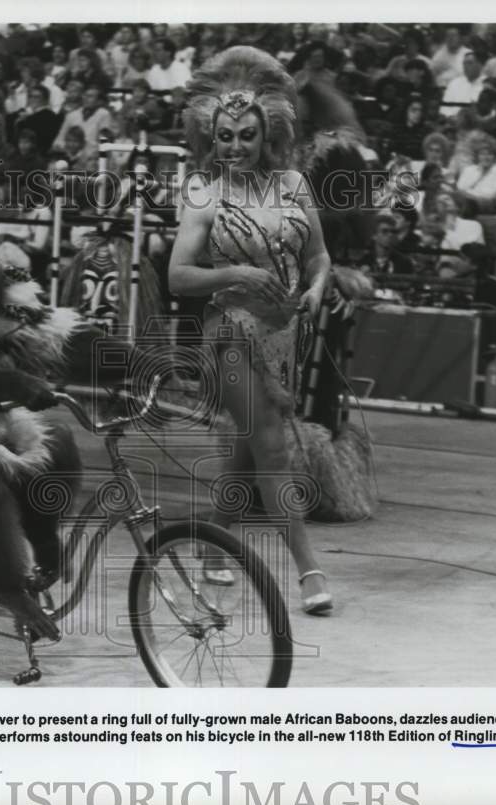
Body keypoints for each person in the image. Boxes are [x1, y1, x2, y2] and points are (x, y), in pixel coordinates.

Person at [169, 46, 370, 616]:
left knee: (244, 447)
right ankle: (310, 573)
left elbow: (319, 256)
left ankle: (212, 541)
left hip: (282, 333)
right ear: (211, 137)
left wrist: (314, 286)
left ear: (266, 136)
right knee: (275, 449)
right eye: (225, 135)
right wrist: (234, 272)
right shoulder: (205, 194)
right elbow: (178, 276)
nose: (235, 146)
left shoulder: (292, 186)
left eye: (246, 136)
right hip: (228, 332)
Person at [455, 135, 496, 212]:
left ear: (494, 156)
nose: (486, 157)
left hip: (489, 206)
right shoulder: (469, 170)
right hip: (467, 201)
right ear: (478, 156)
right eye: (482, 154)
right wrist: (469, 196)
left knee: (468, 203)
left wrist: (470, 195)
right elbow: (460, 188)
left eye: (489, 154)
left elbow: (491, 196)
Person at [439, 49, 485, 118]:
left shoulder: (486, 84)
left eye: (469, 63)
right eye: (464, 63)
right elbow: (444, 110)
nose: (465, 66)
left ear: (480, 65)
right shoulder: (454, 84)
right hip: (453, 123)